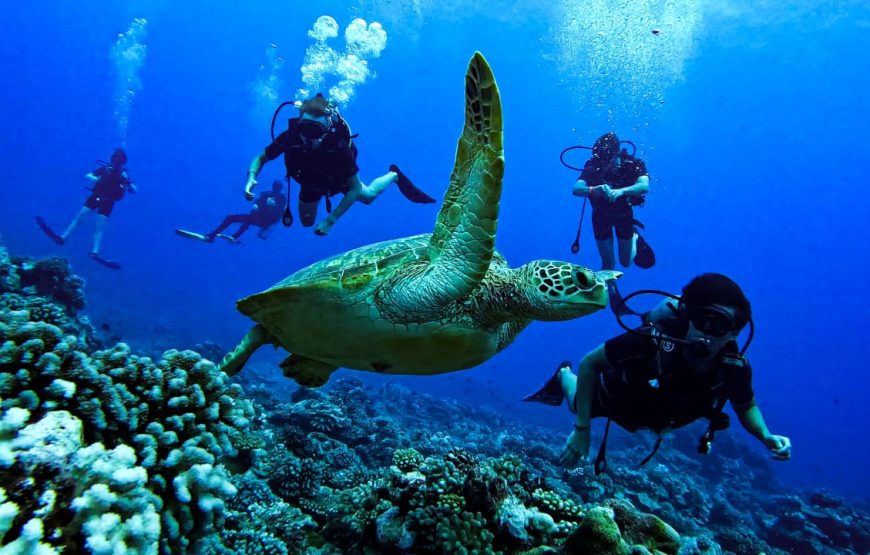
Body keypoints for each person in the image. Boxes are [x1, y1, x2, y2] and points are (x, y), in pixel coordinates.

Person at [524, 273, 792, 471]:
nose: (706, 332)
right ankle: (563, 375)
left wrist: (765, 435)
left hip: (660, 414)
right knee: (577, 404)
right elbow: (591, 363)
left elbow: (746, 406)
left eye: (719, 325)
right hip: (622, 396)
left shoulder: (734, 369)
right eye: (701, 320)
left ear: (734, 332)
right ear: (689, 318)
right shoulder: (654, 340)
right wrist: (582, 430)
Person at [243, 93, 435, 237]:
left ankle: (394, 175)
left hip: (338, 179)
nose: (309, 137)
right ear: (299, 124)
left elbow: (353, 189)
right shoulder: (290, 138)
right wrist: (252, 177)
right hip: (309, 181)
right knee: (307, 222)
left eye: (316, 131)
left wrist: (330, 220)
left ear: (327, 130)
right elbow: (260, 158)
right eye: (305, 129)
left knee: (367, 196)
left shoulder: (338, 147)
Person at [572, 132, 651, 315]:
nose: (603, 164)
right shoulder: (593, 166)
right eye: (600, 159)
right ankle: (615, 299)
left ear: (616, 154)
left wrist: (621, 192)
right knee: (607, 262)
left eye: (606, 159)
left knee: (625, 262)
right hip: (600, 216)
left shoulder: (633, 164)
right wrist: (593, 189)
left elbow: (644, 185)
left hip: (624, 215)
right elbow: (576, 189)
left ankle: (634, 236)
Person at [36, 148, 135, 269]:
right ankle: (63, 238)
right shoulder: (105, 169)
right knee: (81, 216)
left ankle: (94, 251)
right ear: (112, 159)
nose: (116, 163)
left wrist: (128, 182)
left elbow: (134, 190)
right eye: (115, 160)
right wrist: (96, 178)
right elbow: (88, 175)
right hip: (97, 196)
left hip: (108, 201)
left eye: (119, 161)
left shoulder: (123, 176)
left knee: (99, 225)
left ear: (123, 162)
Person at [202, 180, 287, 242]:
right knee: (232, 218)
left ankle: (233, 236)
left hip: (267, 222)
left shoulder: (282, 198)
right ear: (273, 187)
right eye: (275, 187)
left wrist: (273, 206)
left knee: (248, 219)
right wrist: (255, 205)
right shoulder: (266, 195)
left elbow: (281, 213)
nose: (276, 189)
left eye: (277, 188)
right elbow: (257, 202)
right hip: (257, 218)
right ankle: (214, 236)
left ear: (280, 189)